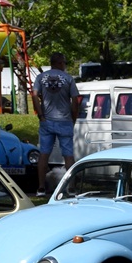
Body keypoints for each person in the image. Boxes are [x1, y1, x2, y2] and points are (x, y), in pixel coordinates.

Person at [32, 52, 80, 195]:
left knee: (44, 154)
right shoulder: (68, 78)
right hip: (64, 120)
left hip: (47, 120)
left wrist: (40, 114)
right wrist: (73, 118)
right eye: (64, 62)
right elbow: (75, 100)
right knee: (68, 155)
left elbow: (34, 95)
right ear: (59, 63)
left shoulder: (40, 78)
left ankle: (41, 188)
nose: (65, 65)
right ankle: (71, 188)